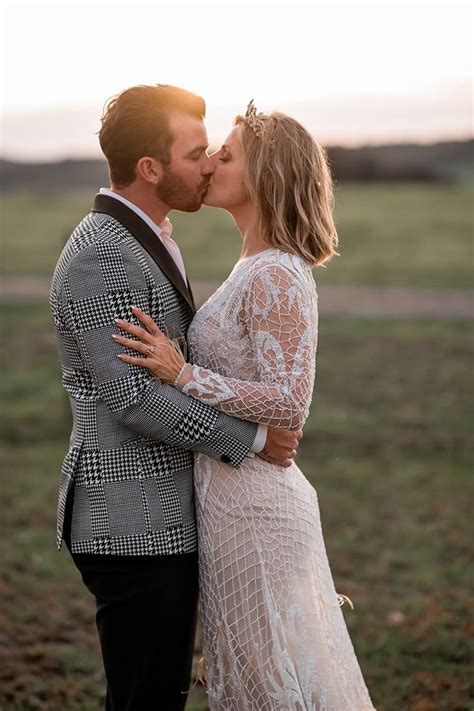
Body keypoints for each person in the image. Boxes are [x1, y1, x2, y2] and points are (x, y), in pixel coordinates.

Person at [115, 100, 375, 709]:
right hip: (230, 499)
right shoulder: (251, 264)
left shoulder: (278, 274)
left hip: (258, 508)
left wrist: (183, 375)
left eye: (225, 156)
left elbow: (289, 405)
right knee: (252, 680)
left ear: (265, 176)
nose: (209, 164)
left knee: (269, 685)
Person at [49, 85, 301, 711]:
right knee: (145, 699)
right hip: (130, 519)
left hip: (165, 517)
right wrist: (252, 441)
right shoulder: (101, 254)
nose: (209, 165)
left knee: (155, 693)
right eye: (195, 155)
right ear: (150, 168)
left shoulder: (151, 232)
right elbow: (134, 398)